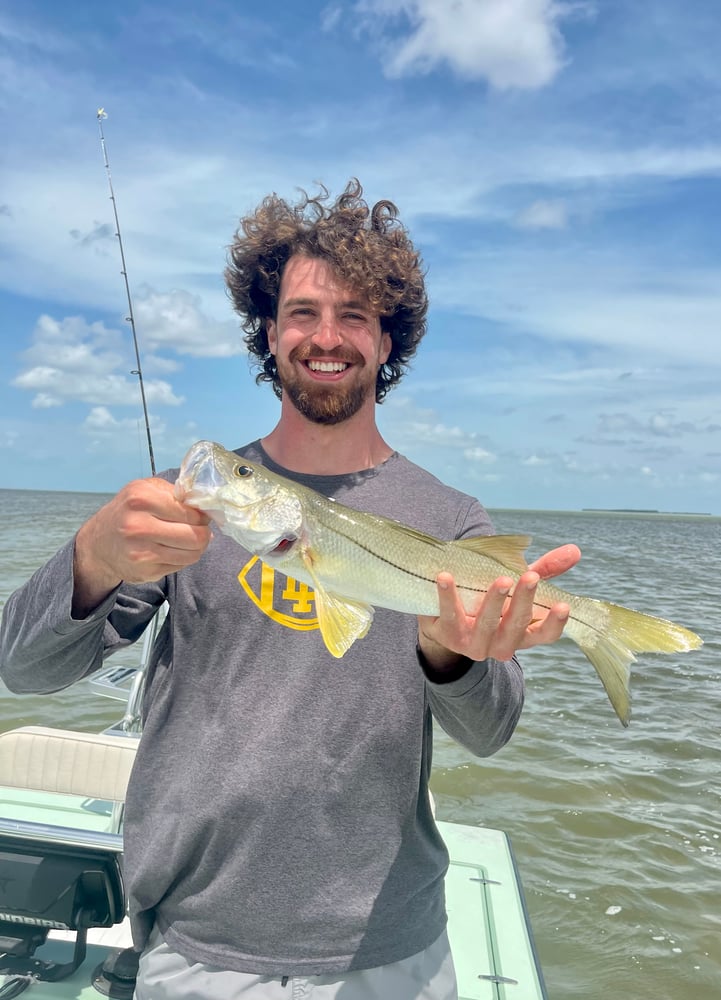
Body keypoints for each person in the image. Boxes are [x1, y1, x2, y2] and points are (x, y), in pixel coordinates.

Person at [0, 180, 579, 1000]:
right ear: (268, 334)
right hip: (197, 937)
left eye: (354, 315)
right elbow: (24, 672)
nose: (326, 336)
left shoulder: (451, 518)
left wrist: (448, 655)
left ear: (387, 341)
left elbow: (490, 732)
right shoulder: (185, 508)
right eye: (302, 312)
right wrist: (92, 554)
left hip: (390, 946)